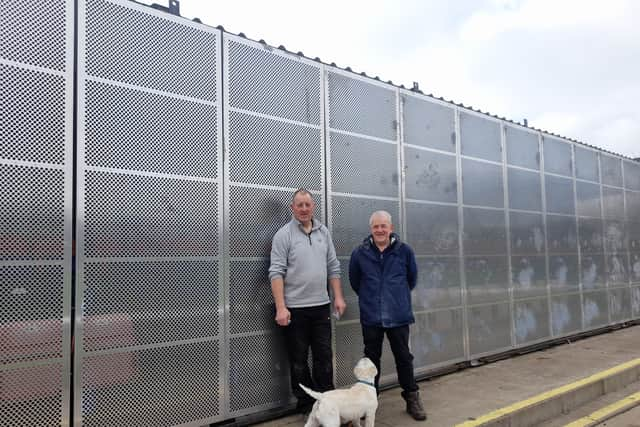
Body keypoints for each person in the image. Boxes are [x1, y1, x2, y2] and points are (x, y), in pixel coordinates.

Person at [269, 188, 347, 413]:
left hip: (321, 307)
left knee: (324, 358)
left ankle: (328, 404)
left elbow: (333, 266)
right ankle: (307, 405)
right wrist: (281, 307)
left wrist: (338, 297)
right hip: (294, 310)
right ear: (292, 208)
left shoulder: (324, 232)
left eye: (307, 204)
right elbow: (276, 272)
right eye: (299, 205)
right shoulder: (283, 235)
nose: (304, 209)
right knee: (299, 361)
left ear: (313, 207)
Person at [348, 210, 427, 421]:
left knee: (404, 358)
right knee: (371, 361)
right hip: (371, 316)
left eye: (384, 226)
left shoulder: (405, 252)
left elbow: (412, 279)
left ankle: (412, 398)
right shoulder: (359, 254)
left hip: (398, 315)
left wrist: (394, 297)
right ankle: (369, 403)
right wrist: (372, 298)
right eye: (376, 226)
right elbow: (355, 282)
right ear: (371, 229)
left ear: (391, 228)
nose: (380, 230)